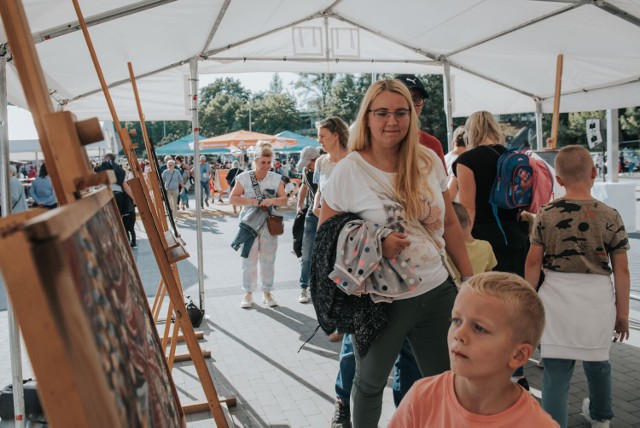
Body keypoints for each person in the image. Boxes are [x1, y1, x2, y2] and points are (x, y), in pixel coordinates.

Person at [319, 79, 472, 428]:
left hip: (437, 291)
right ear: (368, 117)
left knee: (446, 383)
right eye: (382, 112)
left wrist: (469, 279)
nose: (392, 121)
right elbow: (327, 236)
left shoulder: (429, 159)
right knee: (369, 384)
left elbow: (449, 225)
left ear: (412, 116)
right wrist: (376, 241)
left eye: (401, 112)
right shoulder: (350, 170)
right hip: (380, 301)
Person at [524, 145, 630, 428]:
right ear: (595, 173)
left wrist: (526, 303)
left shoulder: (546, 214)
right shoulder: (610, 215)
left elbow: (533, 263)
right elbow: (622, 268)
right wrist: (622, 314)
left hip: (556, 300)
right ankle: (600, 417)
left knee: (556, 372)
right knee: (598, 363)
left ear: (558, 179)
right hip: (597, 300)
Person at [389, 272, 558, 428]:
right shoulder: (422, 396)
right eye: (456, 320)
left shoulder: (536, 424)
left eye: (479, 328)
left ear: (518, 355)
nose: (459, 334)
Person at [452, 111, 532, 389]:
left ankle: (488, 371)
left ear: (471, 131)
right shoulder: (511, 155)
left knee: (486, 310)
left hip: (486, 241)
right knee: (512, 310)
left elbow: (469, 207)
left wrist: (466, 244)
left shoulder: (466, 160)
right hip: (516, 238)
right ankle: (517, 373)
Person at [229, 144, 288, 309]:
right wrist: (252, 202)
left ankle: (267, 291)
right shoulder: (244, 178)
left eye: (269, 162)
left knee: (268, 259)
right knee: (249, 259)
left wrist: (272, 201)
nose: (266, 165)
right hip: (249, 223)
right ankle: (248, 292)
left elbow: (284, 200)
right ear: (255, 160)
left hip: (269, 223)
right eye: (263, 162)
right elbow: (232, 198)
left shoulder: (276, 178)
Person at [312, 116, 350, 342]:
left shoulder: (352, 160)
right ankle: (336, 320)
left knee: (343, 273)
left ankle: (343, 323)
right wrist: (316, 205)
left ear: (336, 135)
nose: (320, 141)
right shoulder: (321, 162)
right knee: (327, 272)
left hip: (345, 225)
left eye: (323, 136)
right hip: (323, 222)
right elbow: (319, 189)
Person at [394, 74, 446, 169]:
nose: (411, 104)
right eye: (405, 97)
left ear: (422, 105)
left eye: (416, 99)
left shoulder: (433, 144)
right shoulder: (379, 141)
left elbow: (441, 183)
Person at [447, 202, 497, 283]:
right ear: (470, 222)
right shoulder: (486, 246)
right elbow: (489, 278)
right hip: (476, 292)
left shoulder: (446, 252)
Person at [296, 146, 321, 304]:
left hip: (329, 212)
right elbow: (304, 187)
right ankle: (304, 287)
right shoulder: (306, 172)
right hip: (313, 213)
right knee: (307, 254)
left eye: (309, 163)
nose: (307, 166)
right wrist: (299, 205)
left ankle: (320, 288)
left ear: (316, 159)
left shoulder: (327, 168)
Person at [95, 154, 137, 247]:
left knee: (109, 220)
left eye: (104, 158)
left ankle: (114, 240)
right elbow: (125, 187)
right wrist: (134, 199)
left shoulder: (103, 168)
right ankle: (122, 240)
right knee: (119, 219)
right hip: (119, 196)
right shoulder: (119, 170)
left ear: (107, 159)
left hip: (108, 196)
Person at [445, 126, 468, 201]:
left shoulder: (445, 158)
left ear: (453, 143)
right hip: (455, 208)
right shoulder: (459, 161)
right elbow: (450, 192)